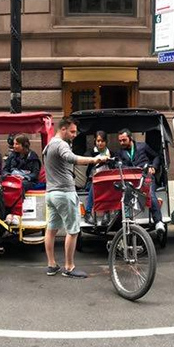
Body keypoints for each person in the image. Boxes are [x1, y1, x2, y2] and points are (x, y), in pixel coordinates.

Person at [43, 117, 108, 279]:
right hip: (64, 193)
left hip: (51, 193)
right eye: (72, 131)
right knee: (73, 231)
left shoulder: (49, 144)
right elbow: (72, 158)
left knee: (51, 230)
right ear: (63, 129)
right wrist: (95, 159)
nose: (74, 135)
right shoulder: (61, 144)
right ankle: (69, 267)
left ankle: (51, 265)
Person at [117, 128, 165, 234]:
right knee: (125, 198)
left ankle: (158, 222)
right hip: (130, 179)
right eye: (120, 141)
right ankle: (128, 224)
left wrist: (154, 167)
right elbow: (118, 165)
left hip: (145, 176)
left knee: (150, 194)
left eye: (124, 140)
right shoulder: (120, 152)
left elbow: (156, 156)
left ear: (130, 138)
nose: (121, 143)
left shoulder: (142, 146)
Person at [83, 131, 111, 223]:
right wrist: (97, 159)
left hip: (107, 181)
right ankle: (87, 213)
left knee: (108, 186)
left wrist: (109, 160)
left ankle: (106, 213)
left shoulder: (110, 153)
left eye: (102, 141)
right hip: (92, 181)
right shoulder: (90, 153)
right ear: (95, 141)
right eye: (98, 141)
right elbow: (86, 159)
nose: (100, 143)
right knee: (95, 184)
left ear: (106, 142)